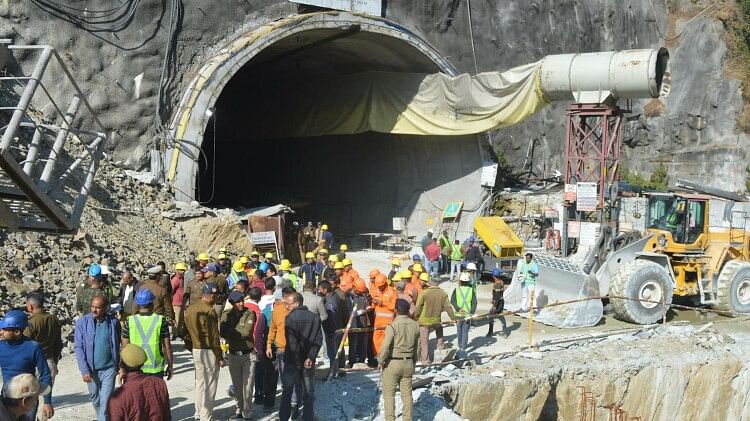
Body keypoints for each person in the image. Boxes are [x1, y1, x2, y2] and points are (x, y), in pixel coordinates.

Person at [74, 296, 120, 421]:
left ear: (106, 308)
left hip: (109, 369)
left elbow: (118, 344)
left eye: (98, 307)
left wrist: (119, 366)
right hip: (91, 370)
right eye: (92, 307)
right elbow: (78, 347)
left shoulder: (113, 322)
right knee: (95, 397)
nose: (94, 310)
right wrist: (84, 370)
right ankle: (103, 417)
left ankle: (102, 418)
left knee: (106, 399)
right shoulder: (82, 323)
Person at [0, 310, 53, 420]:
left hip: (28, 399)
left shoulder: (33, 347)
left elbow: (45, 374)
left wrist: (47, 402)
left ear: (18, 332)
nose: (1, 332)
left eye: (5, 329)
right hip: (7, 397)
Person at [184, 283, 226, 421]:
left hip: (196, 349)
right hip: (208, 351)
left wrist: (191, 346)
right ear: (212, 295)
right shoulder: (209, 311)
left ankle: (198, 413)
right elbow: (214, 336)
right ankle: (206, 416)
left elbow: (184, 332)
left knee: (200, 383)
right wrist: (219, 356)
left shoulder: (190, 308)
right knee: (210, 385)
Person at [279, 292, 322, 421]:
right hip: (307, 362)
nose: (287, 306)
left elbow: (292, 342)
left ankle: (284, 417)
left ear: (297, 303)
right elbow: (318, 340)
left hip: (292, 361)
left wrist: (298, 360)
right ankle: (308, 417)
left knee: (287, 390)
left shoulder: (290, 318)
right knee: (308, 392)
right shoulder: (315, 318)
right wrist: (310, 357)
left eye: (288, 304)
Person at [378, 299, 420, 421]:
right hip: (408, 363)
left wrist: (381, 360)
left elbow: (386, 346)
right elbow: (418, 347)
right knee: (407, 395)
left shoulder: (393, 326)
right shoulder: (415, 325)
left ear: (396, 310)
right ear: (407, 311)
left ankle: (390, 419)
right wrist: (414, 361)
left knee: (389, 395)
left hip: (392, 363)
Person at [24, 293, 61, 421]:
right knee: (46, 396)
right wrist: (55, 361)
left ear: (30, 306)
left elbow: (24, 345)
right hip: (49, 362)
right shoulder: (53, 319)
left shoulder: (31, 323)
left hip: (34, 364)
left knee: (31, 399)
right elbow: (58, 343)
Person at [107, 344, 171, 420]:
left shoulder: (117, 398)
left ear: (121, 365)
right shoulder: (160, 384)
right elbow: (167, 416)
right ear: (143, 363)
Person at [221, 291, 257, 420]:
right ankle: (239, 410)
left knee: (248, 386)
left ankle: (247, 413)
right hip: (233, 354)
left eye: (242, 300)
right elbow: (223, 332)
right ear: (232, 303)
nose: (241, 303)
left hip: (248, 355)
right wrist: (235, 331)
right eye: (238, 302)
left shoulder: (249, 313)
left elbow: (246, 332)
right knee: (237, 386)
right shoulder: (227, 314)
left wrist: (231, 330)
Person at [121, 289, 173, 379]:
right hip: (155, 369)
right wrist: (170, 366)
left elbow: (125, 347)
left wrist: (122, 369)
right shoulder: (161, 320)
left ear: (137, 304)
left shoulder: (130, 321)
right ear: (152, 303)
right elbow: (167, 346)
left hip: (134, 367)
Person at [414, 277, 455, 364]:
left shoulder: (424, 293)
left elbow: (418, 307)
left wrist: (416, 316)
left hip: (424, 321)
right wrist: (453, 318)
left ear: (429, 283)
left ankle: (425, 360)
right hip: (436, 320)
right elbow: (448, 307)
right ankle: (440, 347)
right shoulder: (443, 293)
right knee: (439, 330)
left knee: (424, 342)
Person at [324, 277, 350, 380]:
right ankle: (341, 371)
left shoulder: (334, 298)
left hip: (335, 329)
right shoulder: (339, 295)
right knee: (340, 350)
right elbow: (345, 313)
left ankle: (334, 373)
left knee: (334, 351)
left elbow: (336, 314)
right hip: (340, 327)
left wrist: (333, 330)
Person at [369, 273, 396, 357]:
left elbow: (394, 306)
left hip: (388, 322)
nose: (379, 288)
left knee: (387, 340)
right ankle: (377, 356)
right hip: (378, 320)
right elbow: (373, 304)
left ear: (385, 283)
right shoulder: (376, 290)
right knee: (376, 339)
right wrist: (373, 304)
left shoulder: (392, 292)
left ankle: (386, 356)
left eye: (381, 286)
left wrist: (383, 303)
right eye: (378, 286)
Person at [451, 273, 477, 356]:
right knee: (465, 331)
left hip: (458, 314)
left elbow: (452, 300)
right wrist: (471, 312)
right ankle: (463, 347)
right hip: (467, 315)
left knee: (459, 330)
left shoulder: (457, 289)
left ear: (460, 281)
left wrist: (458, 308)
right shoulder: (471, 290)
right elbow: (474, 302)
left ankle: (460, 344)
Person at [348, 279, 371, 367]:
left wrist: (367, 308)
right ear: (354, 288)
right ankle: (352, 362)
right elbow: (348, 312)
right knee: (353, 344)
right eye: (359, 291)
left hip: (363, 323)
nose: (361, 292)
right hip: (353, 324)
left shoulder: (363, 295)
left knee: (363, 344)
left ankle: (362, 360)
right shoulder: (349, 297)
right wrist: (361, 312)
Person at [488, 268, 509, 337]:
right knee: (500, 316)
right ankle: (505, 332)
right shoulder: (501, 282)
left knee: (491, 316)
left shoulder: (497, 284)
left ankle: (491, 332)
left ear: (494, 276)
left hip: (498, 303)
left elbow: (497, 296)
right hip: (501, 301)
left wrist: (494, 306)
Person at [171, 263, 187, 340]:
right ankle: (175, 334)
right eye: (182, 270)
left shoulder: (182, 278)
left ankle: (179, 332)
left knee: (180, 319)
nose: (183, 271)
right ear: (177, 270)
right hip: (176, 303)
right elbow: (171, 290)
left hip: (181, 302)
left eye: (183, 270)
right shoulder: (175, 279)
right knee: (176, 319)